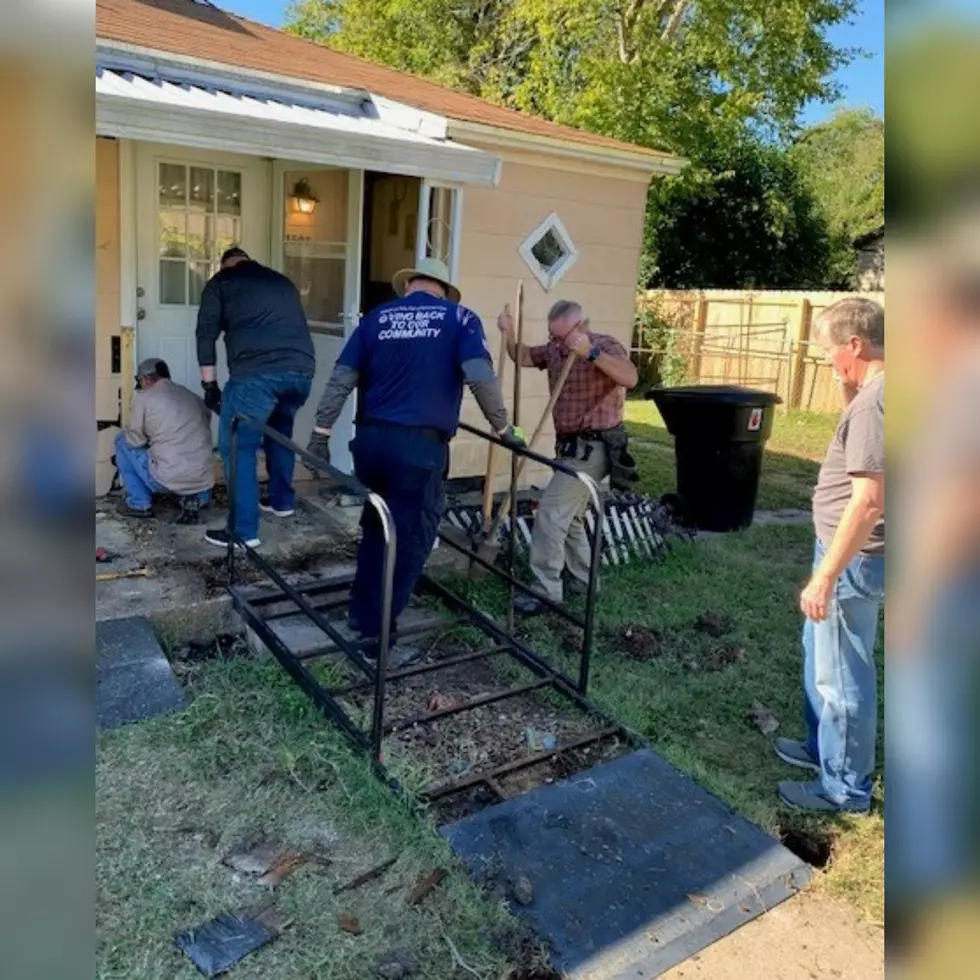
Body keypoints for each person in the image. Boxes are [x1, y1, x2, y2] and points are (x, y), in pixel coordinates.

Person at [307, 257, 522, 666]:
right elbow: (479, 375)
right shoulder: (460, 318)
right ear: (443, 289)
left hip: (370, 444)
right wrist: (502, 430)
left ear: (410, 286)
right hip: (418, 451)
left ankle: (361, 614)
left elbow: (341, 379)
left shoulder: (376, 319)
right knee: (410, 542)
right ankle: (378, 638)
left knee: (376, 529)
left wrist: (319, 435)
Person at [775, 297, 885, 814]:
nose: (823, 360)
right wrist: (849, 386)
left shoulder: (876, 403)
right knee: (822, 654)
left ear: (855, 345)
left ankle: (844, 788)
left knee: (842, 673)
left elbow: (867, 501)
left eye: (828, 350)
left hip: (853, 557)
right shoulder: (876, 394)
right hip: (851, 553)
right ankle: (822, 748)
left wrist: (824, 576)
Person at [497, 299, 638, 613]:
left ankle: (545, 592)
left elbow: (630, 378)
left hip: (595, 448)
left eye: (561, 337)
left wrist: (590, 352)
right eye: (552, 336)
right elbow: (520, 356)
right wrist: (508, 333)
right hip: (568, 448)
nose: (556, 343)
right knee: (571, 518)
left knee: (549, 513)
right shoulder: (554, 351)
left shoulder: (603, 345)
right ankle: (584, 582)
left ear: (580, 326)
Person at [196, 247, 315, 549]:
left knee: (238, 448)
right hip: (300, 374)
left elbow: (205, 334)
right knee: (279, 433)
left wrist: (209, 387)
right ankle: (281, 501)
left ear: (225, 265)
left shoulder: (221, 282)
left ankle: (243, 531)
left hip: (255, 378)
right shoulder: (281, 281)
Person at [114, 358, 214, 519]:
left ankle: (139, 503)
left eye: (139, 380)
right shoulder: (190, 396)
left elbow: (135, 441)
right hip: (202, 480)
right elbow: (205, 422)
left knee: (121, 440)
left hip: (167, 479)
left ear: (145, 379)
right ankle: (194, 498)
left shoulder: (145, 398)